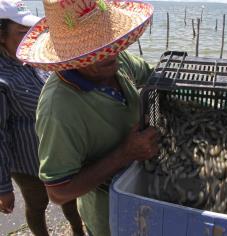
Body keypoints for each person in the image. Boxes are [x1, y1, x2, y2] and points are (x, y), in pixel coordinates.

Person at [16, 0, 159, 235]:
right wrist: (125, 153)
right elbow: (58, 192)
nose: (111, 53)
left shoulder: (115, 59)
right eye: (96, 50)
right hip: (108, 212)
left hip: (144, 184)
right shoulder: (59, 108)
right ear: (71, 57)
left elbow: (152, 76)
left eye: (112, 42)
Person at [0, 1, 84, 235]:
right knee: (37, 205)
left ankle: (78, 230)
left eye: (30, 31)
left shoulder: (35, 58)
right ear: (1, 36)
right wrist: (3, 187)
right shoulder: (2, 78)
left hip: (62, 152)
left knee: (71, 199)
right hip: (28, 162)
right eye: (21, 33)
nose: (30, 37)